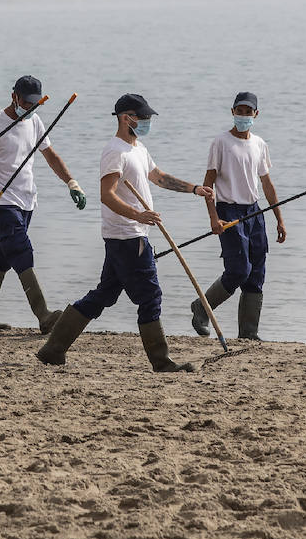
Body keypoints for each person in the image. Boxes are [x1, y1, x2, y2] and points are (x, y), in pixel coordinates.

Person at [37, 93, 213, 373]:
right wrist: (138, 215)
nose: (146, 122)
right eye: (142, 117)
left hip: (129, 235)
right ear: (125, 117)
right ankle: (161, 361)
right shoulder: (114, 151)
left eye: (147, 118)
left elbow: (159, 177)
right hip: (127, 236)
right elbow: (106, 195)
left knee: (104, 295)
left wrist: (193, 189)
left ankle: (53, 349)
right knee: (151, 296)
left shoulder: (138, 148)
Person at [0, 75, 85, 333]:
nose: (30, 109)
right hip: (2, 202)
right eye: (26, 103)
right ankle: (43, 315)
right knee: (21, 250)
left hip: (28, 201)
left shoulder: (35, 121)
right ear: (14, 97)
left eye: (35, 104)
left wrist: (71, 183)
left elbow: (50, 155)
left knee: (5, 255)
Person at [193, 91, 286, 341]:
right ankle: (202, 307)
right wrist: (213, 218)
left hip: (254, 212)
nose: (243, 116)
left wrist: (279, 218)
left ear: (256, 114)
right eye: (239, 111)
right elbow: (208, 183)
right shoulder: (221, 143)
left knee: (256, 273)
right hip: (228, 210)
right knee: (238, 269)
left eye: (248, 111)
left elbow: (267, 185)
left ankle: (249, 334)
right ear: (232, 112)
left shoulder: (259, 144)